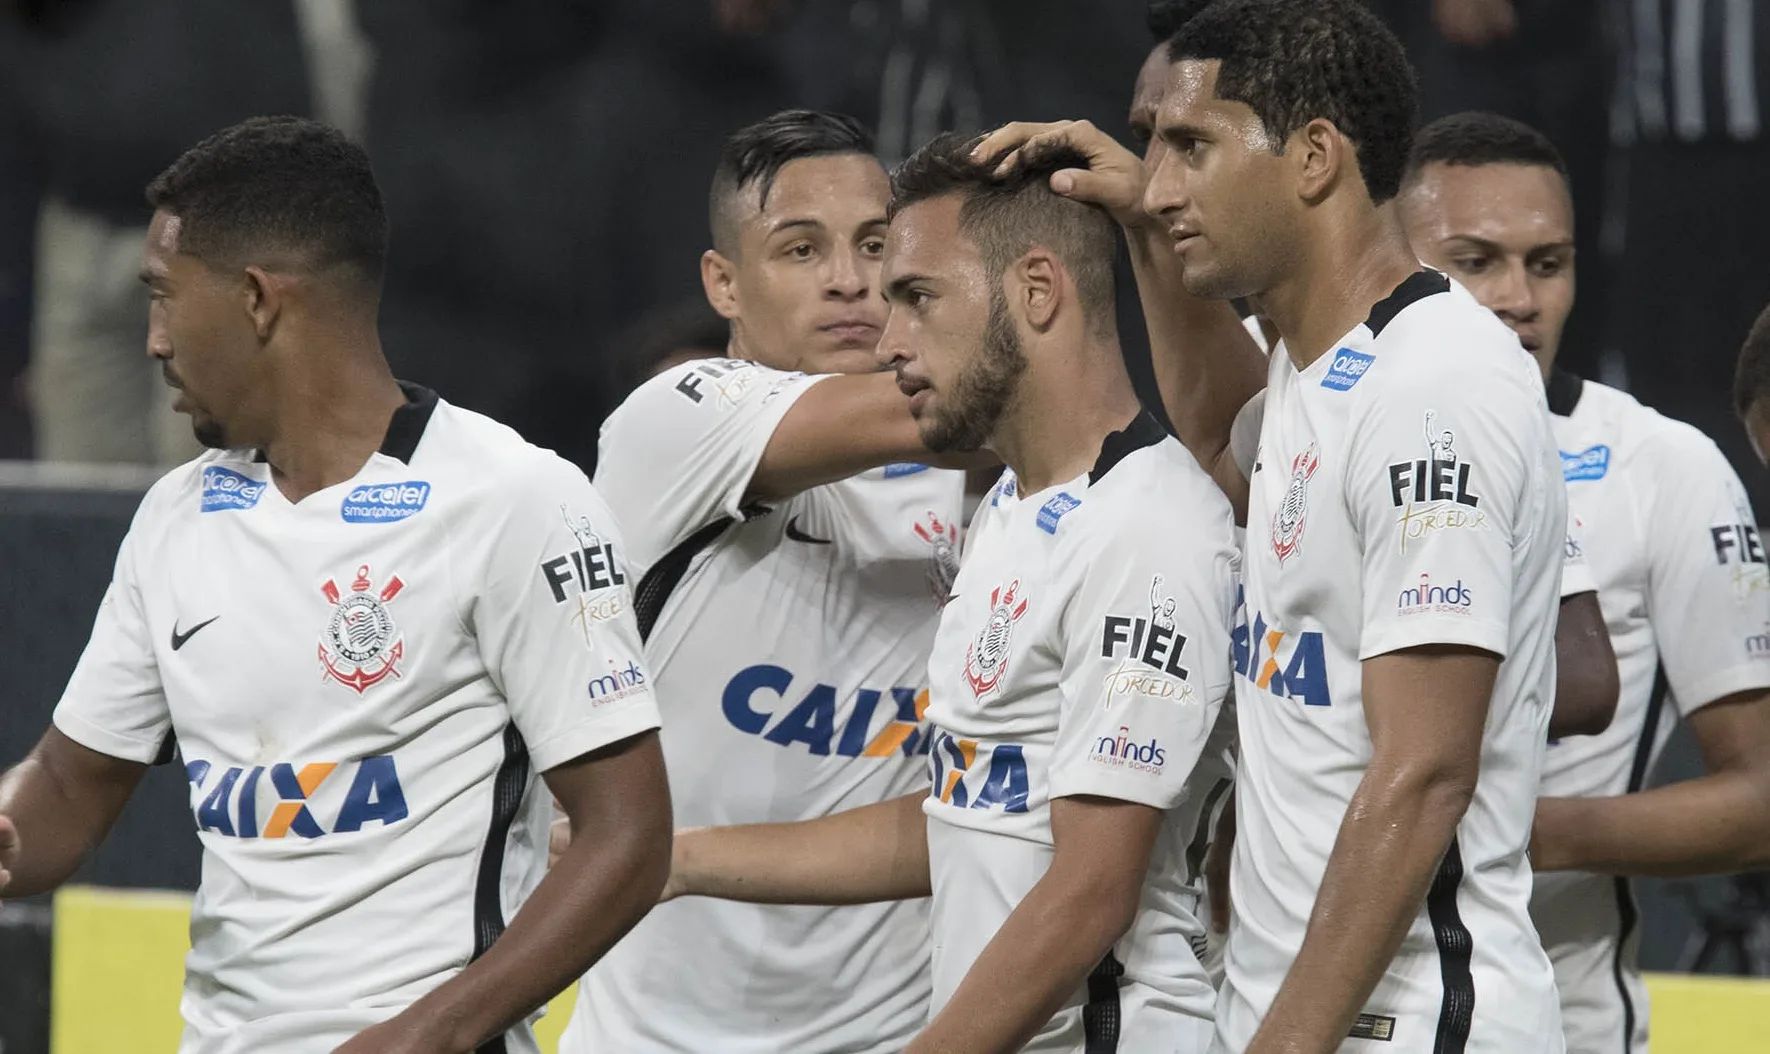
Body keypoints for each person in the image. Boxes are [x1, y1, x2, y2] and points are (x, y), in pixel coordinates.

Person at [0, 117, 671, 1054]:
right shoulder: (175, 518)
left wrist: (425, 1036)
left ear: (257, 300)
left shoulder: (513, 500)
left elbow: (629, 841)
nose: (152, 340)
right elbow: (71, 783)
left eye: (163, 296)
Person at [657, 132, 1238, 1053]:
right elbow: (962, 811)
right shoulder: (1010, 505)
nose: (888, 341)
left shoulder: (1148, 531)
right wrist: (680, 860)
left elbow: (1090, 892)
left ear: (1037, 292)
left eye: (917, 298)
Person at [1078, 2, 1565, 1049]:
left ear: (1312, 158)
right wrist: (1139, 230)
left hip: (1412, 1019)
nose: (1159, 184)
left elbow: (1425, 770)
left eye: (1191, 146)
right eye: (1151, 144)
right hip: (1303, 1011)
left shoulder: (1432, 384)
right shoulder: (1319, 362)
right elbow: (1219, 444)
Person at [562, 110, 966, 1054]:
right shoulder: (678, 420)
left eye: (877, 244)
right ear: (725, 285)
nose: (849, 279)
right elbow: (1015, 399)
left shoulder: (994, 487)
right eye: (800, 249)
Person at [1398, 110, 1770, 1054]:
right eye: (1475, 261)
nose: (1518, 298)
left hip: (1560, 1024)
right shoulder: (1305, 430)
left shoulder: (1660, 465)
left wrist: (1506, 834)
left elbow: (1762, 796)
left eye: (1548, 264)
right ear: (1392, 263)